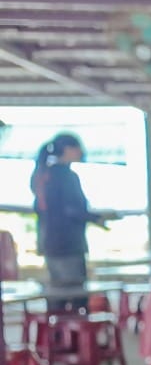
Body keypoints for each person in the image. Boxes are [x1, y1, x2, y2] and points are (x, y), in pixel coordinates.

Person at [30, 133, 114, 311]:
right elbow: (71, 209)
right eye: (78, 147)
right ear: (67, 149)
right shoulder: (66, 176)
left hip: (50, 245)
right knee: (77, 299)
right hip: (68, 245)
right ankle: (73, 329)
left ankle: (56, 328)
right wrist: (96, 218)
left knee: (58, 296)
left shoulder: (45, 175)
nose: (81, 151)